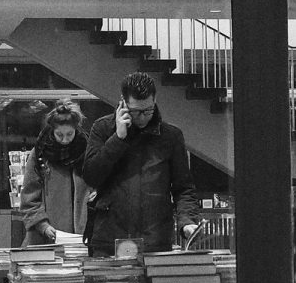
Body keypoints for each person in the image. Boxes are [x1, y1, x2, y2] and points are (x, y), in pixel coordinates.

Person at [82, 72, 200, 256]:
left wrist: (187, 221)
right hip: (108, 240)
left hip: (155, 241)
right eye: (136, 111)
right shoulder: (103, 128)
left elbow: (183, 188)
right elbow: (91, 176)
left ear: (155, 100)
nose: (143, 117)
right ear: (123, 102)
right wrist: (118, 139)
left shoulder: (170, 136)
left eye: (148, 110)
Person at [20, 99, 89, 246]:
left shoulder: (87, 151)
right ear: (52, 130)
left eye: (70, 134)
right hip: (47, 236)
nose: (65, 140)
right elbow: (28, 199)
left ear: (76, 129)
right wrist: (42, 225)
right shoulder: (40, 153)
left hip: (82, 238)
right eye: (60, 135)